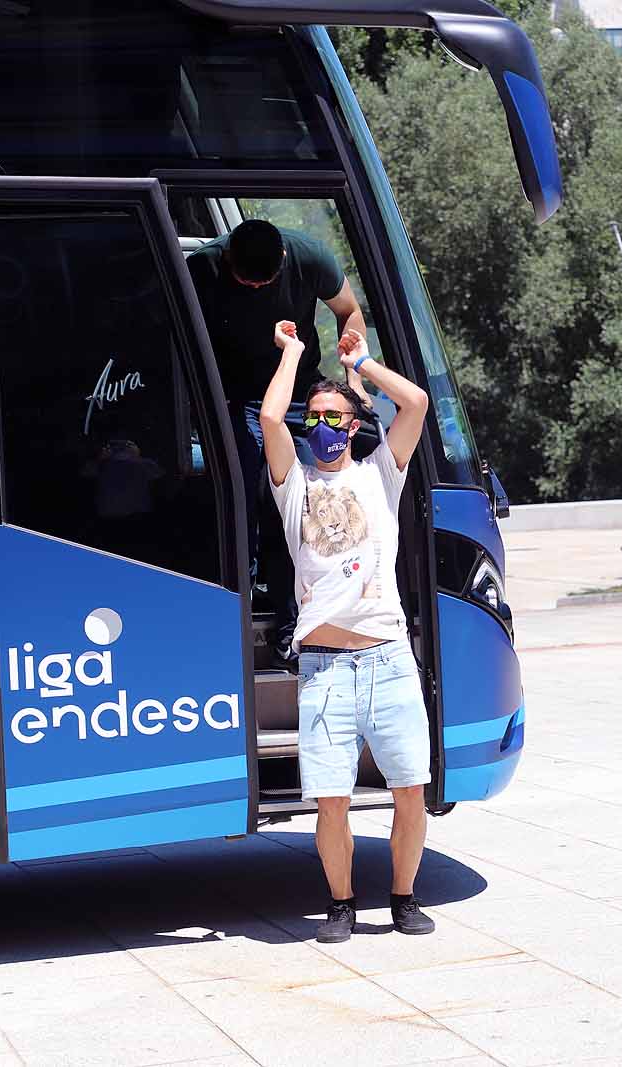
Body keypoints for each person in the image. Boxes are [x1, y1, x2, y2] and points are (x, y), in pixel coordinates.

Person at [259, 319, 433, 944]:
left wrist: (360, 366)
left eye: (335, 418)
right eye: (317, 416)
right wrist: (295, 354)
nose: (323, 427)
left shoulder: (380, 474)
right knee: (330, 800)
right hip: (326, 668)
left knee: (409, 789)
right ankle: (340, 906)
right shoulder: (295, 486)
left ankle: (405, 899)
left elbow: (414, 403)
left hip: (388, 659)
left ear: (355, 426)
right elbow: (272, 420)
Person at [187, 219, 367, 661]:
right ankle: (232, 627)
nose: (252, 289)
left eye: (261, 283)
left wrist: (355, 376)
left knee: (303, 508)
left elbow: (349, 309)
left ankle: (297, 630)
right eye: (244, 281)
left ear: (283, 260)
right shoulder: (202, 268)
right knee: (244, 503)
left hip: (298, 394)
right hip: (235, 398)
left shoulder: (309, 256)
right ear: (228, 259)